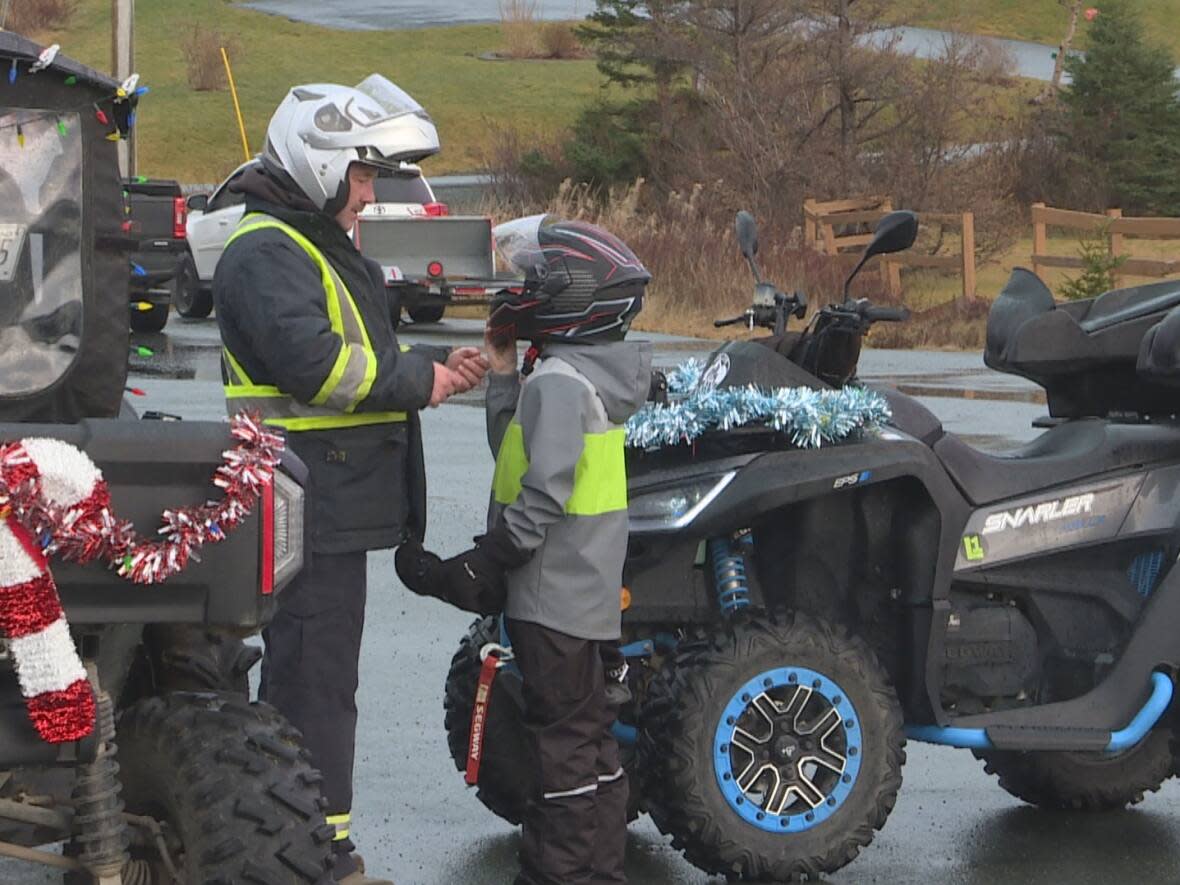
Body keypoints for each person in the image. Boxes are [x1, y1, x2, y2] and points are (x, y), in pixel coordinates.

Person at [213, 76, 487, 885]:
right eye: (361, 177)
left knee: (317, 679)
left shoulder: (303, 241)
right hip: (307, 504)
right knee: (312, 685)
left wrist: (432, 372)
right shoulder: (266, 250)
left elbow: (356, 359)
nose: (369, 194)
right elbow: (321, 365)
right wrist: (420, 381)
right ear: (319, 165)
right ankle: (313, 857)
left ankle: (297, 841)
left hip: (326, 504)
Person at [396, 214, 653, 885]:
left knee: (561, 757)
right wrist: (506, 373)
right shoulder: (579, 374)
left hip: (553, 602)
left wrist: (489, 558)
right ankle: (597, 872)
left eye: (531, 280)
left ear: (569, 298)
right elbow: (519, 453)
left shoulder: (562, 383)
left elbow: (541, 495)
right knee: (592, 751)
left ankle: (558, 874)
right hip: (586, 597)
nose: (518, 290)